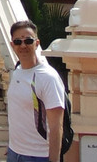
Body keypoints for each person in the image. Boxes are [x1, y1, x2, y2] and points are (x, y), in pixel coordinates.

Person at [6, 19, 65, 162]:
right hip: (14, 152)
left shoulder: (47, 77)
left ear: (36, 43)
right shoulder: (17, 72)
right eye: (18, 42)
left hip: (38, 156)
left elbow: (56, 126)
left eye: (28, 40)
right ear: (12, 45)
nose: (23, 45)